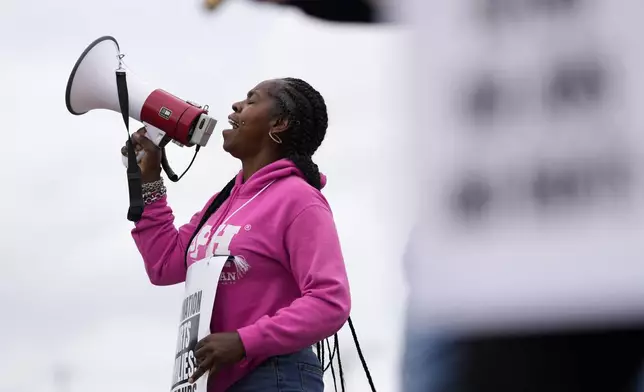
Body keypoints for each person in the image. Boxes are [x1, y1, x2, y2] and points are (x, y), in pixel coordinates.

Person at [124, 77, 351, 392]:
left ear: (280, 123)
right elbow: (164, 264)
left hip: (273, 374)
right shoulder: (224, 202)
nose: (236, 105)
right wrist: (149, 179)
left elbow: (330, 302)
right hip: (218, 380)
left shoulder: (299, 199)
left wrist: (245, 341)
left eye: (252, 99)